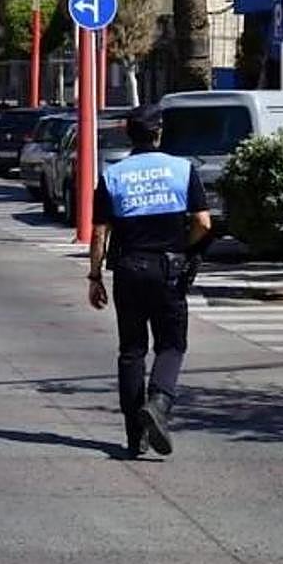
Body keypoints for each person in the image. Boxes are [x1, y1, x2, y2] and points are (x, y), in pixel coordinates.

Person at [88, 104, 211, 458]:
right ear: (159, 133)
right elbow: (203, 223)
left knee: (131, 352)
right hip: (169, 269)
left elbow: (99, 234)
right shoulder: (182, 169)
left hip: (128, 268)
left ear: (129, 133)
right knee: (171, 345)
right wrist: (181, 249)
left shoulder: (113, 175)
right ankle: (158, 402)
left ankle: (134, 437)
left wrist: (94, 276)